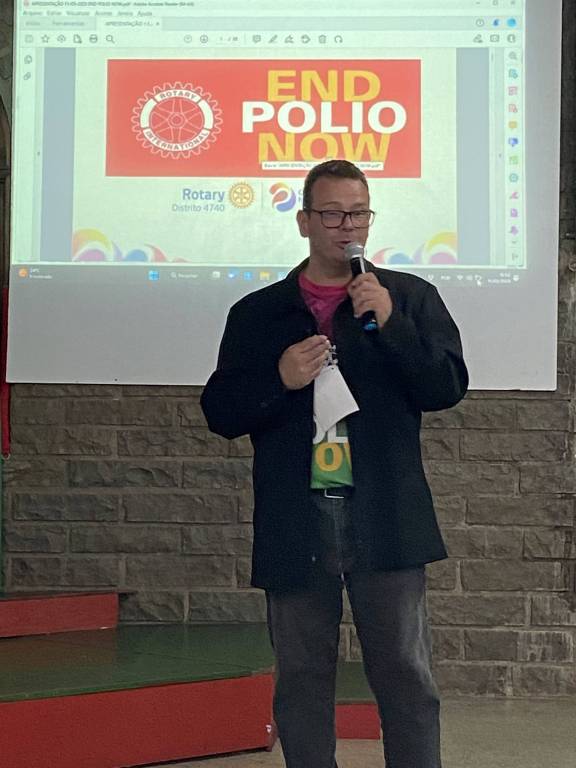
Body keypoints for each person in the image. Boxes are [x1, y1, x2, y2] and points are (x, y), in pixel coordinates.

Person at [200, 159, 468, 768]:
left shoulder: (409, 298)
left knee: (404, 672)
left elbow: (445, 387)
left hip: (385, 512)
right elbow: (221, 411)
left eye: (358, 214)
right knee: (301, 676)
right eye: (332, 214)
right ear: (303, 221)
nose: (348, 227)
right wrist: (280, 377)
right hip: (298, 517)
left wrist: (393, 325)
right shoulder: (259, 312)